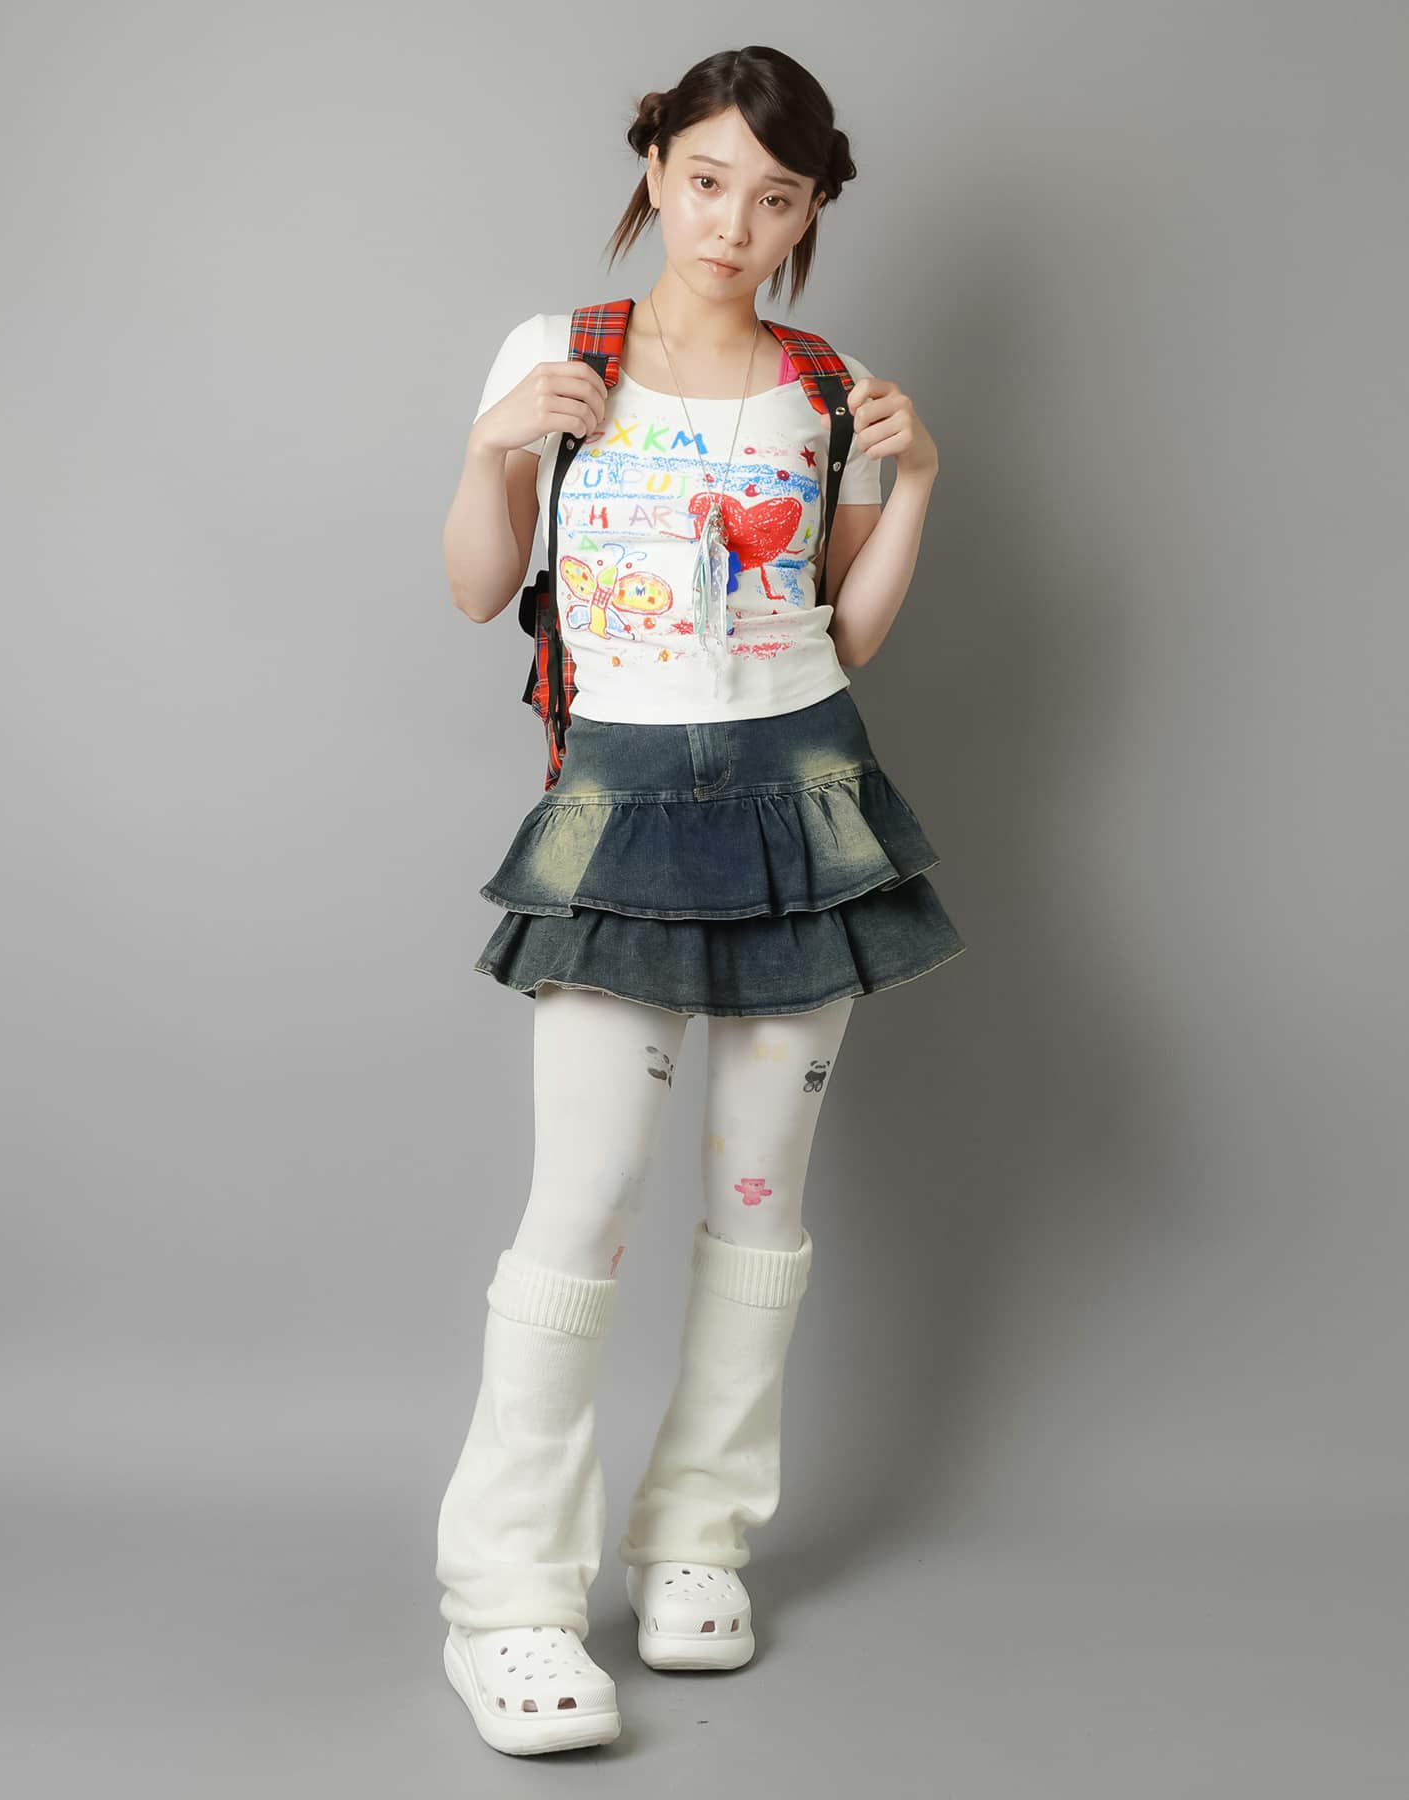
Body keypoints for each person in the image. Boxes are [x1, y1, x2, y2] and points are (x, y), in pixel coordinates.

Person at [435, 44, 967, 1756]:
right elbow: (476, 589)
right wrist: (497, 451)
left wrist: (915, 483)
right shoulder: (561, 354)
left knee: (760, 1201)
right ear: (656, 166)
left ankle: (697, 1541)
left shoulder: (831, 390)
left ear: (810, 213)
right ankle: (508, 1599)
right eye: (710, 178)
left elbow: (845, 630)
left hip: (803, 801)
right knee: (585, 1195)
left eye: (778, 196)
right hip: (623, 803)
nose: (736, 221)